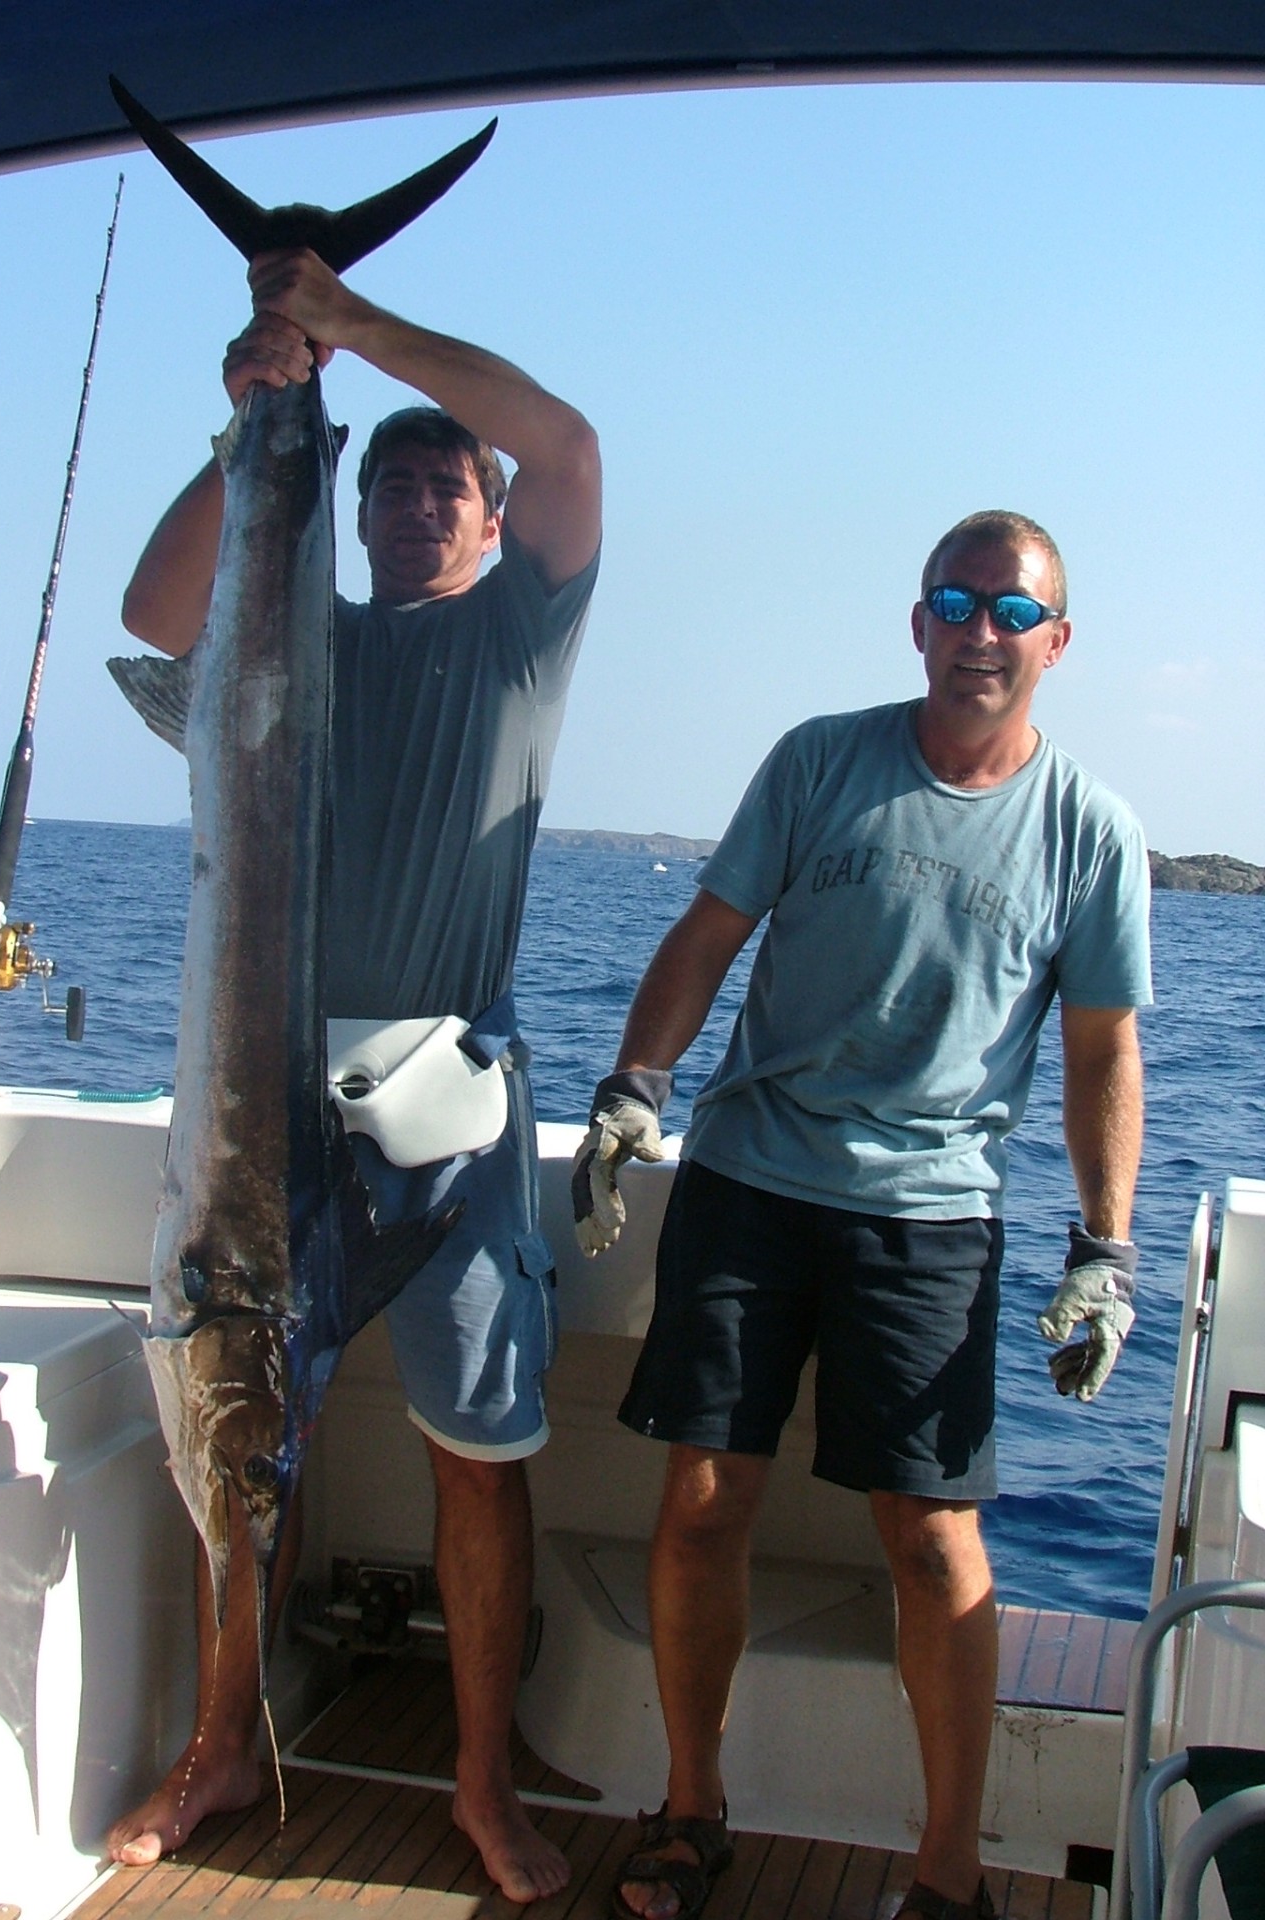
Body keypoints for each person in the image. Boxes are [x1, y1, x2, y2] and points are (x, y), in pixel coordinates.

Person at [106, 244, 601, 1903]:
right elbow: (153, 617)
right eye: (386, 482)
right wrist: (260, 408)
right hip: (266, 1098)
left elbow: (572, 445)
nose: (411, 503)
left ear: (489, 519)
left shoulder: (523, 638)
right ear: (353, 507)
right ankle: (223, 1744)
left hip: (447, 1108)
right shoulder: (292, 637)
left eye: (444, 483)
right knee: (251, 1435)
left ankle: (480, 1786)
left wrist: (351, 323)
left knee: (478, 1452)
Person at [572, 511, 1149, 1920]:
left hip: (934, 1216)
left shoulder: (1091, 829)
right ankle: (691, 1812)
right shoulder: (819, 759)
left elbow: (1101, 1050)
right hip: (750, 1180)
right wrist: (634, 1086)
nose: (980, 632)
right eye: (955, 602)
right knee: (702, 1499)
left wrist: (1105, 1246)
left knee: (934, 1539)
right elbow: (708, 935)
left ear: (1058, 643)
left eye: (1013, 612)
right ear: (917, 623)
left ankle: (950, 1876)